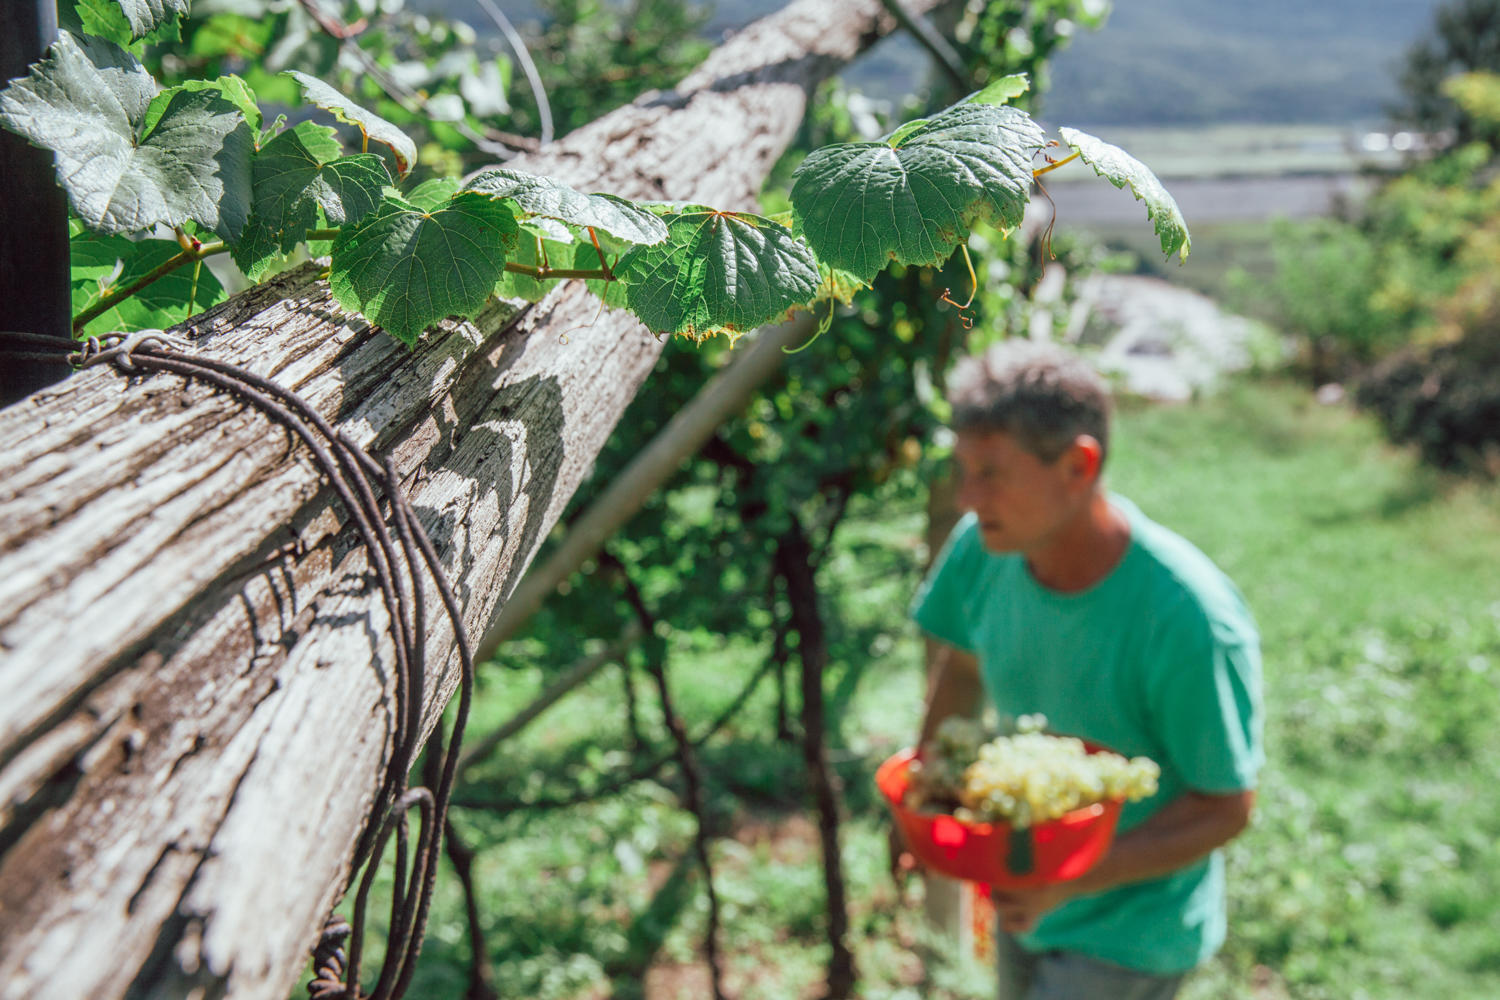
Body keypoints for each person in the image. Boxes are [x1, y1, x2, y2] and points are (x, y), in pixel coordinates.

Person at [906, 339, 1263, 1000]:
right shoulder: (986, 548)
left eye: (990, 472)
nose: (966, 495)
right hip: (1024, 895)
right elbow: (960, 669)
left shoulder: (1189, 621)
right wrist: (929, 799)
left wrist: (1070, 878)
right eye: (961, 469)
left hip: (1130, 937)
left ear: (1078, 465)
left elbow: (1225, 807)